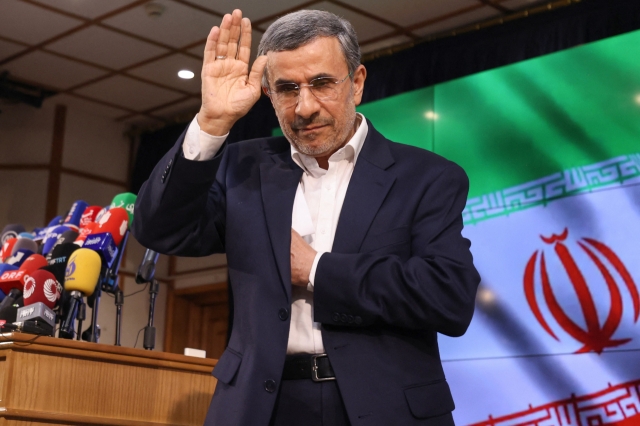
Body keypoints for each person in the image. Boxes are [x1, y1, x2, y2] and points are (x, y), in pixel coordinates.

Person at [133, 8, 480, 426]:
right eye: (286, 89)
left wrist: (316, 269)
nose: (304, 107)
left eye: (321, 83)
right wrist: (212, 122)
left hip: (386, 406)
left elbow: (449, 298)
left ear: (357, 83)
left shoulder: (427, 177)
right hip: (260, 408)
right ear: (269, 94)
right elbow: (159, 230)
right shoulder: (242, 167)